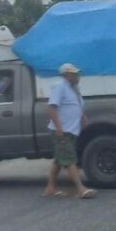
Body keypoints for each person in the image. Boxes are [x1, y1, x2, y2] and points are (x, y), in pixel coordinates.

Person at [43, 63, 95, 199]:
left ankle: (50, 188)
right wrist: (59, 128)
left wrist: (82, 117)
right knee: (69, 159)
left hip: (71, 130)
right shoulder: (60, 86)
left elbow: (77, 106)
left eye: (77, 74)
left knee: (59, 160)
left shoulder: (74, 89)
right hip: (62, 131)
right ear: (66, 75)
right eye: (74, 74)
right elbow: (51, 108)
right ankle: (80, 188)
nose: (77, 76)